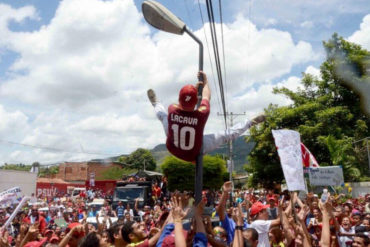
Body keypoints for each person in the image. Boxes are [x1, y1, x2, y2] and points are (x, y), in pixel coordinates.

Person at [148, 71, 265, 162]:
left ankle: (156, 103)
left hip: (173, 147)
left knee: (163, 116)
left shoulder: (172, 109)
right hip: (195, 151)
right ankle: (250, 122)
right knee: (226, 134)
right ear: (195, 102)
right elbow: (206, 96)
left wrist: (193, 90)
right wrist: (206, 81)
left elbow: (183, 106)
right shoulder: (202, 113)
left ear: (179, 100)